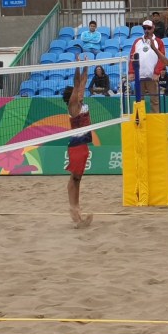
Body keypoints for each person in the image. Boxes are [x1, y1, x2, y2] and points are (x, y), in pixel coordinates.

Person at [62, 56, 93, 229]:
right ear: (72, 96)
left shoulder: (80, 101)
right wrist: (77, 65)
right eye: (77, 93)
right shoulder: (73, 106)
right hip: (77, 146)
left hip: (82, 145)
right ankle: (74, 209)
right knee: (76, 177)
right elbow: (77, 84)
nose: (80, 92)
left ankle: (75, 207)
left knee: (77, 178)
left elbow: (82, 83)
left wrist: (86, 66)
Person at [128, 20, 166, 113]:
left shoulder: (159, 42)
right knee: (139, 101)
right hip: (138, 77)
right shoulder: (137, 41)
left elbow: (162, 58)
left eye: (149, 28)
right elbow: (132, 57)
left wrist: (156, 73)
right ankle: (140, 121)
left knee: (155, 101)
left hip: (152, 77)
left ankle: (155, 121)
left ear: (153, 28)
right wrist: (131, 72)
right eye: (145, 28)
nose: (146, 30)